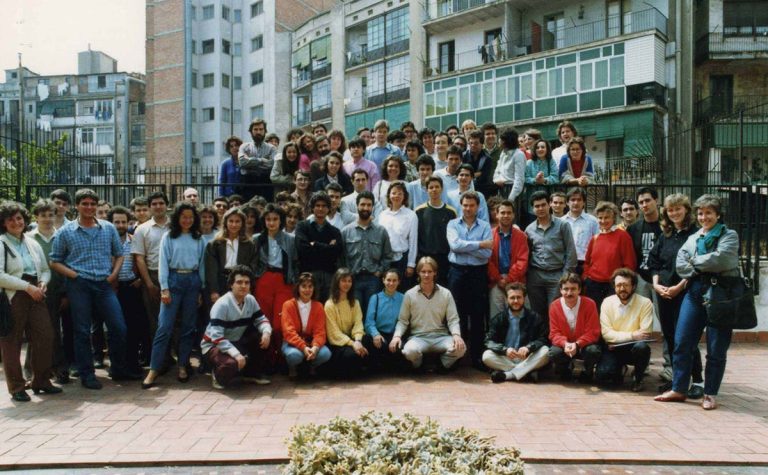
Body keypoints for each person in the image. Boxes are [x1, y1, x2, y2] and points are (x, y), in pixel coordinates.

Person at [50, 189, 139, 389]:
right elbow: (54, 261)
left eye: (92, 204)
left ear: (97, 206)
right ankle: (87, 374)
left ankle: (118, 368)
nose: (89, 207)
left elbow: (119, 254)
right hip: (79, 285)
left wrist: (114, 274)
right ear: (77, 206)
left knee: (118, 327)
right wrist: (74, 275)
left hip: (104, 284)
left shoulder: (108, 228)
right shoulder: (66, 232)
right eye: (85, 204)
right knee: (82, 331)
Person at [655, 194, 738, 410]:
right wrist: (704, 263)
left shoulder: (729, 235)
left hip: (721, 294)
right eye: (700, 213)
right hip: (694, 292)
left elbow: (723, 259)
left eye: (709, 213)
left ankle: (710, 393)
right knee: (682, 341)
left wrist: (695, 262)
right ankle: (679, 388)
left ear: (718, 214)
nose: (704, 217)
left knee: (716, 347)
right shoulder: (693, 238)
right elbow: (681, 265)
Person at [141, 202, 206, 389]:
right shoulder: (169, 236)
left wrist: (201, 289)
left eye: (191, 217)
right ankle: (154, 369)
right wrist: (164, 288)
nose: (187, 220)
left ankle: (183, 365)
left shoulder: (199, 238)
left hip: (192, 282)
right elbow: (162, 264)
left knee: (188, 327)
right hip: (174, 280)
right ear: (178, 218)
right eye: (184, 217)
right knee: (164, 327)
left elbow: (201, 265)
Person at [0, 201, 60, 401]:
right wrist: (27, 287)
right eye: (11, 219)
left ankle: (41, 380)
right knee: (12, 341)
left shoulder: (32, 242)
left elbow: (44, 268)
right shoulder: (1, 243)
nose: (16, 222)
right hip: (14, 294)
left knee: (45, 336)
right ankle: (17, 387)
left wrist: (43, 282)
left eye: (19, 218)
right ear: (4, 222)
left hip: (36, 292)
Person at [647, 193, 703, 398]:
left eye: (678, 208)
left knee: (685, 338)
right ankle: (677, 380)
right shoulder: (666, 234)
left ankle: (697, 380)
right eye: (670, 210)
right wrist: (656, 285)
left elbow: (696, 266)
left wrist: (679, 287)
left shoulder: (696, 234)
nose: (674, 213)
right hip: (663, 292)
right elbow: (654, 262)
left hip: (685, 293)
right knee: (670, 337)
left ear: (686, 210)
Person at [389, 257, 466, 371]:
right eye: (423, 272)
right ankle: (420, 365)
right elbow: (403, 320)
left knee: (461, 348)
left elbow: (453, 319)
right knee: (409, 351)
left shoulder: (446, 293)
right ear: (418, 273)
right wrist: (396, 336)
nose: (426, 275)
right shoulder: (409, 295)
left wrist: (456, 335)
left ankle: (441, 365)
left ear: (435, 273)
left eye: (429, 271)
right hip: (418, 337)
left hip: (441, 337)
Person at [202, 265, 272, 389]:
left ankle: (251, 373)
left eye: (247, 283)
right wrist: (236, 354)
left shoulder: (250, 300)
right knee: (230, 365)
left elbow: (261, 320)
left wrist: (266, 332)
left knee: (263, 338)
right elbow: (216, 337)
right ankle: (217, 374)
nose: (243, 286)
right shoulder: (222, 304)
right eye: (239, 282)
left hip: (235, 341)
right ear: (231, 285)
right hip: (213, 346)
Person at [447, 191, 492, 370]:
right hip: (457, 273)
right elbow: (454, 246)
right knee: (457, 314)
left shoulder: (485, 226)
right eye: (465, 205)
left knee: (477, 315)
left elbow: (487, 254)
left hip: (477, 273)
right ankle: (458, 356)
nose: (468, 208)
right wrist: (479, 244)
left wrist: (466, 247)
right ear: (461, 205)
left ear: (478, 207)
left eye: (472, 205)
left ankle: (477, 358)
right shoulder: (452, 224)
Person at [626, 187, 667, 379]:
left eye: (647, 200)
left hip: (662, 280)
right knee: (639, 324)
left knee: (667, 322)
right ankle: (641, 364)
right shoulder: (634, 228)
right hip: (642, 279)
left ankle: (669, 364)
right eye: (641, 202)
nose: (644, 205)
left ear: (657, 200)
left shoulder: (666, 226)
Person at [27, 200, 69, 384]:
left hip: (57, 290)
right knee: (35, 332)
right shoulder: (28, 238)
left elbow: (68, 264)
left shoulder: (62, 236)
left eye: (50, 215)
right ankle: (31, 372)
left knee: (56, 331)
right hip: (35, 291)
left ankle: (58, 368)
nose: (47, 219)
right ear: (36, 217)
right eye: (43, 215)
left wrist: (66, 293)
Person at [253, 204, 298, 366]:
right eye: (268, 219)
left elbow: (295, 261)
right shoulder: (257, 239)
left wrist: (294, 281)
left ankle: (282, 357)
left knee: (280, 322)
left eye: (275, 219)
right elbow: (253, 261)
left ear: (281, 221)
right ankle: (267, 358)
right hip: (264, 278)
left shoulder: (289, 239)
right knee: (264, 319)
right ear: (264, 221)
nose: (272, 223)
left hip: (283, 280)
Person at [131, 190, 171, 370]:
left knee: (174, 320)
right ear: (149, 207)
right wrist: (148, 283)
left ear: (166, 205)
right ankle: (159, 361)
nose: (158, 206)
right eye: (154, 204)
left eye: (161, 203)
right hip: (152, 275)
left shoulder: (175, 225)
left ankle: (172, 356)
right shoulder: (142, 229)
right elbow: (139, 258)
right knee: (155, 321)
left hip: (174, 275)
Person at [597, 268, 653, 392]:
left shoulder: (645, 303)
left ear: (633, 286)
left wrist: (617, 336)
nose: (622, 289)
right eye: (618, 285)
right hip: (613, 348)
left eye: (626, 285)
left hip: (633, 349)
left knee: (642, 348)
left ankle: (638, 378)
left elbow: (645, 333)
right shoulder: (607, 302)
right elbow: (606, 334)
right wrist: (633, 335)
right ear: (614, 286)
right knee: (604, 377)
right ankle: (620, 368)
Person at [525, 191, 577, 319]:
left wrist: (564, 276)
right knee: (537, 314)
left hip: (556, 276)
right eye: (537, 206)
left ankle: (555, 339)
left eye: (543, 205)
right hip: (535, 277)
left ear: (549, 205)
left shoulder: (563, 225)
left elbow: (571, 251)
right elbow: (527, 254)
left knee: (555, 312)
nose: (541, 208)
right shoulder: (529, 229)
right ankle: (541, 339)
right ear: (532, 209)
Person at [483, 283, 550, 383]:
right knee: (487, 356)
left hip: (527, 358)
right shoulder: (498, 319)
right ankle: (525, 373)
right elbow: (488, 342)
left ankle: (508, 375)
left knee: (546, 351)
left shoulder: (535, 318)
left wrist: (529, 347)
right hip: (506, 358)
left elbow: (544, 339)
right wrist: (504, 350)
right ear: (507, 299)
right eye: (512, 298)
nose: (515, 301)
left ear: (524, 298)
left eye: (519, 297)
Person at [109, 206, 148, 375]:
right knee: (116, 329)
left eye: (123, 222)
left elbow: (141, 260)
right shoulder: (106, 241)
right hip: (113, 290)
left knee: (134, 328)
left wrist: (140, 279)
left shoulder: (134, 240)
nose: (120, 225)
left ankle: (132, 365)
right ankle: (116, 367)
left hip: (132, 288)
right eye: (116, 222)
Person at [341, 191, 393, 314]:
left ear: (373, 207)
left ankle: (371, 334)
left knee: (372, 313)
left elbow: (388, 256)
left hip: (373, 279)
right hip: (353, 279)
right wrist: (348, 274)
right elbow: (341, 257)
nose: (366, 208)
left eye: (369, 205)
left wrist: (379, 271)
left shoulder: (381, 231)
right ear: (357, 206)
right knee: (355, 312)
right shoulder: (346, 232)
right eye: (363, 204)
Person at [548, 273, 602, 382]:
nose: (569, 293)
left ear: (579, 290)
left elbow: (593, 332)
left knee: (593, 351)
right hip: (565, 345)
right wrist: (565, 343)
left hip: (584, 345)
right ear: (560, 290)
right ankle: (564, 371)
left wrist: (577, 344)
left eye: (573, 289)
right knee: (554, 353)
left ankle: (587, 372)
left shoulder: (590, 304)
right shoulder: (554, 306)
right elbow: (554, 333)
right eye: (566, 289)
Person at [582, 201, 636, 309]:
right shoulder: (595, 238)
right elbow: (587, 261)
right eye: (600, 217)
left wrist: (622, 283)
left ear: (614, 218)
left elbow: (630, 263)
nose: (603, 221)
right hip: (594, 285)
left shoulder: (623, 236)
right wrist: (586, 277)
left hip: (614, 285)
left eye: (607, 217)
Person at [280, 272, 332, 378]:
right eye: (303, 286)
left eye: (310, 286)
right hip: (292, 344)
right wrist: (303, 347)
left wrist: (315, 348)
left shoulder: (318, 306)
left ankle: (311, 366)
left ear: (314, 289)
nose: (307, 290)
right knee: (294, 356)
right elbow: (288, 332)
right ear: (297, 288)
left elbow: (320, 332)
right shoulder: (288, 305)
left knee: (325, 354)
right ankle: (293, 367)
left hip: (311, 343)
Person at [296, 192, 344, 302]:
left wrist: (315, 245)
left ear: (329, 209)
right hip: (308, 274)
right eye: (317, 205)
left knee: (327, 309)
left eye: (324, 206)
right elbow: (303, 250)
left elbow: (336, 252)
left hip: (329, 276)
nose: (320, 209)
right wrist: (327, 247)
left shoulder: (334, 231)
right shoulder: (302, 227)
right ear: (312, 208)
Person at [204, 208, 258, 304]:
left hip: (240, 282)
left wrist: (247, 287)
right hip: (220, 282)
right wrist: (214, 290)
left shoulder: (249, 244)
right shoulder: (215, 244)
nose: (234, 225)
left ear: (242, 224)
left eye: (237, 221)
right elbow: (211, 270)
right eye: (231, 221)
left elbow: (251, 267)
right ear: (225, 222)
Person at [487, 200, 529, 318]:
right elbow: (487, 260)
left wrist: (508, 279)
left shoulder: (521, 236)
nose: (506, 215)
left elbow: (522, 261)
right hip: (496, 282)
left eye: (509, 213)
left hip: (517, 281)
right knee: (496, 317)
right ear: (497, 214)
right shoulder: (489, 235)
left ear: (513, 215)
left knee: (520, 317)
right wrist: (499, 279)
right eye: (503, 212)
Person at [324, 268, 367, 378]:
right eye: (343, 280)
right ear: (337, 282)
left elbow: (358, 323)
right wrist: (353, 344)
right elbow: (333, 333)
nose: (347, 284)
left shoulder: (355, 302)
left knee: (372, 343)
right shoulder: (329, 305)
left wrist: (357, 340)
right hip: (338, 343)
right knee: (352, 356)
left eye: (349, 281)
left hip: (353, 339)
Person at [415, 176, 457, 286]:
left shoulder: (451, 212)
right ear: (426, 190)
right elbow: (416, 238)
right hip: (425, 258)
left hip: (444, 260)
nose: (434, 190)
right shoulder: (419, 211)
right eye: (431, 187)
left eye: (437, 187)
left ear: (442, 189)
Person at [377, 181, 418, 290]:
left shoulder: (411, 215)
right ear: (389, 195)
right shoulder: (382, 215)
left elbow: (413, 241)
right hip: (385, 260)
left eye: (400, 193)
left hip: (402, 260)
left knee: (402, 292)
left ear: (404, 196)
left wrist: (411, 264)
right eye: (394, 193)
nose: (396, 196)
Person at [363, 269, 404, 372]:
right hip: (379, 335)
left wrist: (396, 337)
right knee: (367, 340)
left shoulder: (403, 298)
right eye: (388, 280)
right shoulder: (375, 298)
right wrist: (376, 334)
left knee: (400, 349)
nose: (391, 283)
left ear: (399, 282)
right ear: (383, 280)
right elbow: (369, 322)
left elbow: (404, 320)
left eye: (394, 280)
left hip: (394, 335)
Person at [561, 187, 599, 274]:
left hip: (585, 264)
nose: (576, 203)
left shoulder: (593, 221)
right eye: (573, 200)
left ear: (584, 202)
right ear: (567, 202)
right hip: (565, 264)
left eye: (579, 200)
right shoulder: (561, 222)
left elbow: (597, 243)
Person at [238, 119, 276, 201]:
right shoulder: (244, 147)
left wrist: (250, 161)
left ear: (265, 131)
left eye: (261, 129)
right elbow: (242, 162)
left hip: (266, 185)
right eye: (255, 129)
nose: (258, 132)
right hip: (248, 185)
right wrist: (262, 160)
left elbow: (272, 164)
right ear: (251, 131)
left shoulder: (272, 148)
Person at [524, 139, 559, 225]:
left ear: (547, 149)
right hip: (531, 197)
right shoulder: (529, 163)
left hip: (547, 196)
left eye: (543, 147)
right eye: (537, 147)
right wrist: (535, 180)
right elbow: (525, 178)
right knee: (533, 223)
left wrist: (545, 180)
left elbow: (555, 177)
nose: (540, 149)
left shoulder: (551, 162)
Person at [492, 127, 526, 203]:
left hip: (513, 191)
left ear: (505, 141)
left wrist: (511, 199)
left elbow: (519, 179)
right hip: (501, 189)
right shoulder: (503, 153)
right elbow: (497, 171)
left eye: (500, 139)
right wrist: (496, 180)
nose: (498, 141)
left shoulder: (518, 155)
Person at [463, 130, 494, 197]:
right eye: (471, 143)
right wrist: (477, 174)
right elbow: (462, 174)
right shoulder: (464, 156)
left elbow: (484, 178)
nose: (473, 145)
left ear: (482, 144)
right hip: (465, 191)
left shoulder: (487, 159)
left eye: (476, 143)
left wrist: (470, 175)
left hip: (482, 192)